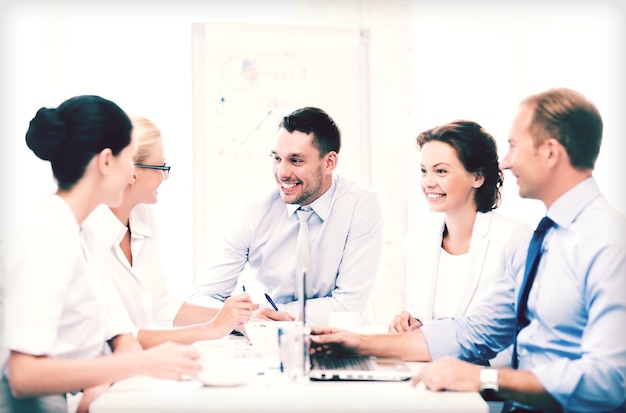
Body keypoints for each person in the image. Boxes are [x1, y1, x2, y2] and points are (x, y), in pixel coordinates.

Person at [310, 88, 626, 412]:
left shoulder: (608, 242)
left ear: (550, 152)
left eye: (514, 146)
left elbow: (609, 381)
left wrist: (486, 379)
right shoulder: (546, 239)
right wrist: (358, 343)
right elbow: (474, 333)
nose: (505, 162)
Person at [0, 96, 200, 413]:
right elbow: (24, 375)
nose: (132, 174)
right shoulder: (45, 237)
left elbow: (122, 339)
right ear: (107, 161)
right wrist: (141, 364)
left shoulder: (85, 231)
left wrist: (100, 385)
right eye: (129, 159)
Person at [189, 106, 384, 326]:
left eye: (296, 160)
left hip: (341, 343)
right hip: (268, 344)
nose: (282, 172)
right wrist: (249, 318)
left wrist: (266, 315)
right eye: (277, 158)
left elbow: (347, 307)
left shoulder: (361, 205)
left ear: (329, 162)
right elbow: (202, 298)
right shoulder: (252, 212)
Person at [82, 115, 258, 349]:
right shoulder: (87, 233)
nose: (165, 177)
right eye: (161, 167)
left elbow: (160, 304)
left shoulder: (141, 214)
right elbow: (121, 337)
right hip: (101, 374)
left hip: (134, 369)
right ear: (132, 172)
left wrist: (239, 318)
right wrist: (213, 329)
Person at [389, 120, 531, 367]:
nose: (428, 182)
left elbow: (517, 337)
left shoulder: (515, 238)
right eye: (424, 171)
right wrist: (409, 324)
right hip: (428, 377)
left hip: (487, 389)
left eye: (441, 171)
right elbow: (423, 321)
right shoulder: (416, 242)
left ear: (477, 177)